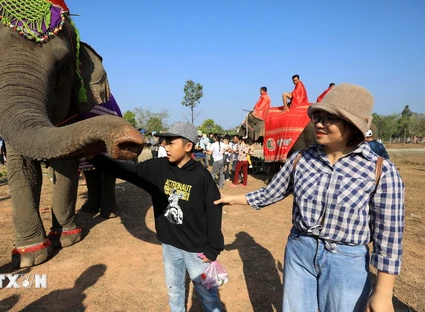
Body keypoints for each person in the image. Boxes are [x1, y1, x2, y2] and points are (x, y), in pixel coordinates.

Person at [215, 84, 404, 312]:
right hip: (299, 251)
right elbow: (270, 193)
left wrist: (383, 293)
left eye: (330, 118)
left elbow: (389, 237)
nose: (319, 124)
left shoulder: (381, 171)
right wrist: (232, 199)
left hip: (347, 262)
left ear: (354, 124)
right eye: (318, 117)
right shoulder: (301, 159)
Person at [91, 122, 224, 311]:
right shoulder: (158, 168)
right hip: (170, 245)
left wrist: (213, 249)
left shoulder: (202, 177)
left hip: (196, 249)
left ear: (188, 146)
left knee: (207, 294)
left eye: (171, 143)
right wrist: (96, 159)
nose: (165, 146)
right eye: (165, 142)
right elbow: (129, 172)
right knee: (175, 290)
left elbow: (213, 212)